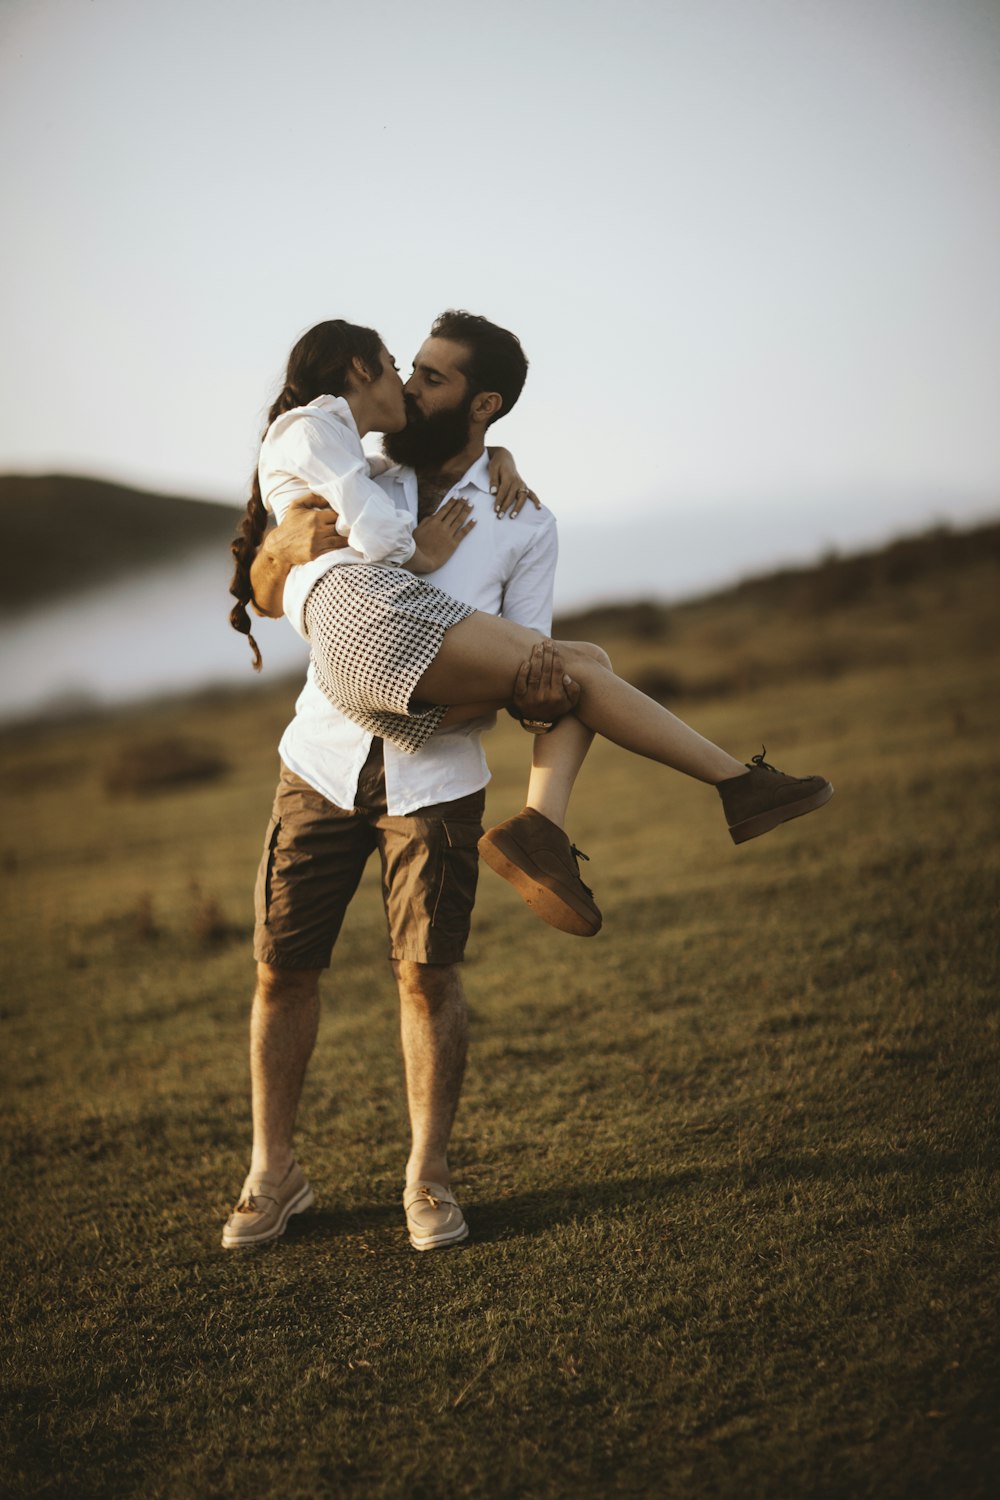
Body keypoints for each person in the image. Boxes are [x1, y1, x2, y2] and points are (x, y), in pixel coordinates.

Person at [221, 312, 597, 1252]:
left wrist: (535, 686)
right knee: (281, 970)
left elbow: (528, 663)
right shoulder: (365, 473)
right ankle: (274, 1174)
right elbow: (268, 583)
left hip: (436, 773)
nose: (411, 389)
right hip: (321, 758)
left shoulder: (525, 521)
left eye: (432, 379)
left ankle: (426, 1181)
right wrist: (280, 554)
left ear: (481, 407)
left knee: (428, 979)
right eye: (410, 372)